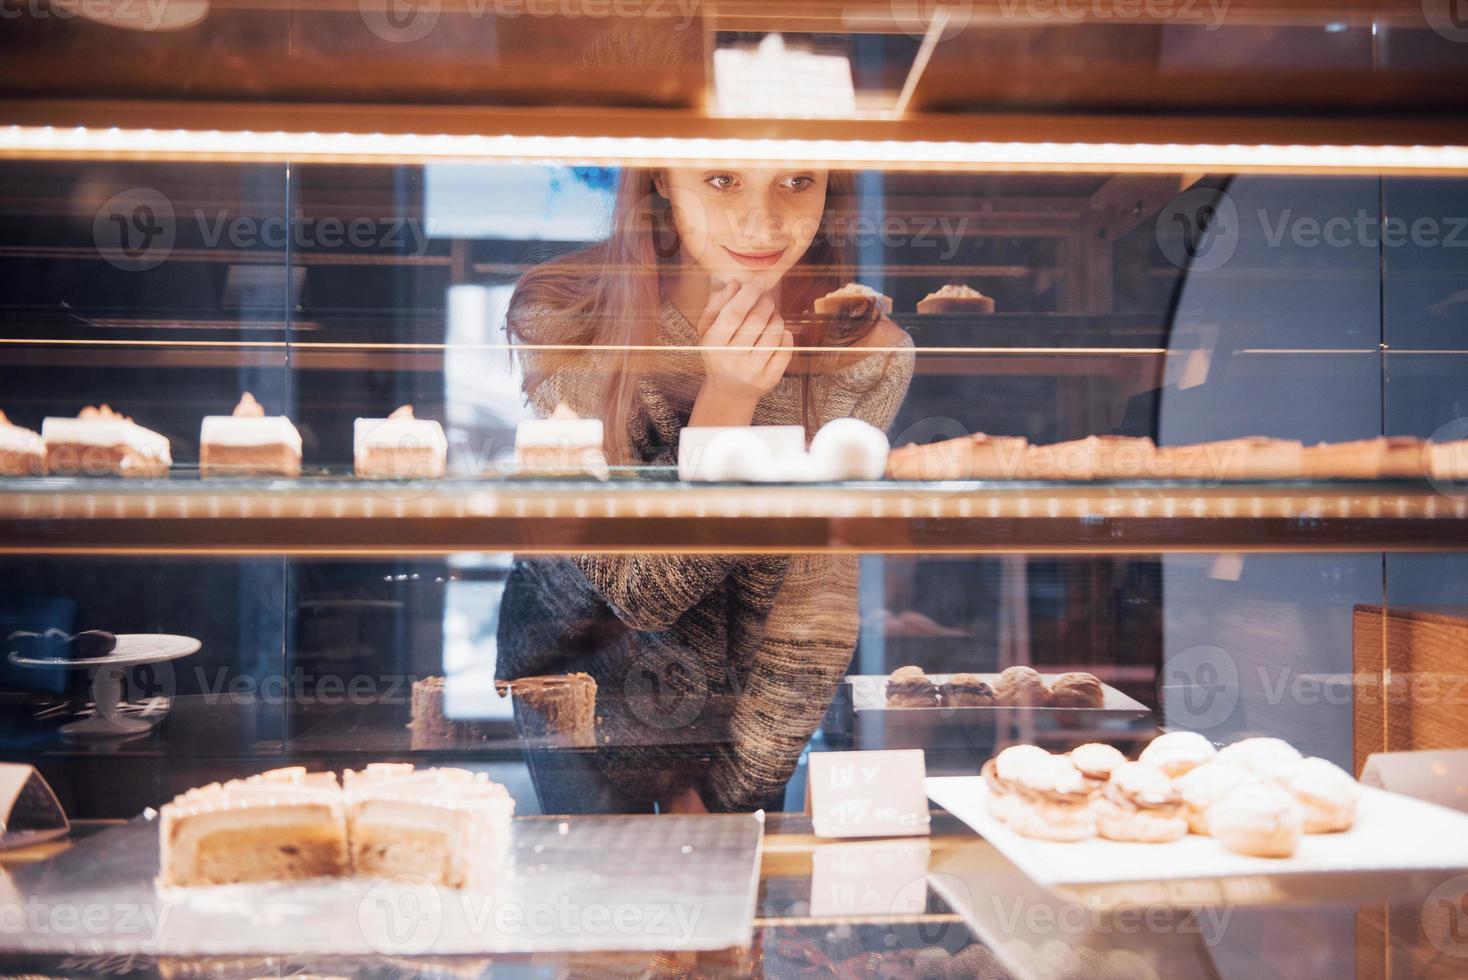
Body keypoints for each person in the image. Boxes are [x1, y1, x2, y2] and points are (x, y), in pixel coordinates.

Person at [495, 166, 914, 814]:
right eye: (722, 180)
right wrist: (731, 397)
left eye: (798, 180)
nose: (761, 221)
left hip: (744, 704)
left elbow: (813, 600)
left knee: (732, 899)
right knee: (592, 904)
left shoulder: (863, 351)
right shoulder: (567, 315)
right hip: (580, 681)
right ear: (661, 175)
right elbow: (643, 589)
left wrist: (732, 795)